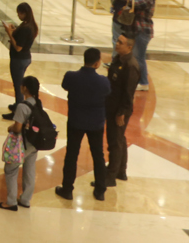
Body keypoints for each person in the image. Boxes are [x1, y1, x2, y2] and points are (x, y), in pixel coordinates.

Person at [55, 47, 111, 202]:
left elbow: (65, 86)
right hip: (96, 123)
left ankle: (67, 189)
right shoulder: (103, 81)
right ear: (97, 63)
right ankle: (100, 190)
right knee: (98, 156)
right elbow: (107, 92)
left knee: (72, 155)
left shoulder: (71, 77)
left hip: (76, 121)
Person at [0, 75, 42, 211]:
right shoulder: (37, 102)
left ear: (25, 88)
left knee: (10, 169)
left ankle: (11, 201)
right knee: (29, 170)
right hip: (34, 143)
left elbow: (17, 128)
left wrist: (11, 127)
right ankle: (25, 199)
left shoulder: (22, 106)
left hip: (23, 143)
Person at [104, 31, 140, 186]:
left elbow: (128, 93)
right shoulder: (118, 59)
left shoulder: (130, 66)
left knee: (115, 142)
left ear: (130, 47)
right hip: (112, 105)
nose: (117, 44)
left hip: (119, 109)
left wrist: (121, 113)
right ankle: (120, 171)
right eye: (117, 41)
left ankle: (110, 177)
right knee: (119, 139)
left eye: (120, 43)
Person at [3, 2, 37, 112]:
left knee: (18, 86)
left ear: (24, 13)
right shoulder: (29, 25)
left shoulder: (25, 28)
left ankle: (19, 109)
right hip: (25, 58)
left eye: (19, 14)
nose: (18, 16)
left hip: (19, 59)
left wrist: (9, 33)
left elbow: (18, 47)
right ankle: (18, 104)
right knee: (19, 83)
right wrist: (14, 30)